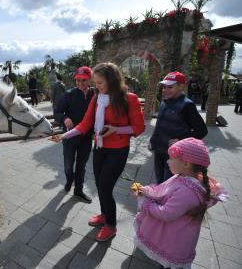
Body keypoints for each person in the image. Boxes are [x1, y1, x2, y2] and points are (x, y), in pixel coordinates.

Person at [52, 62, 145, 241]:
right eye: (95, 83)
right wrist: (64, 136)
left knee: (105, 187)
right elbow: (86, 124)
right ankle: (104, 214)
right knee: (100, 185)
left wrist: (116, 129)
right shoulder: (97, 98)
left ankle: (111, 225)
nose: (96, 87)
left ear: (112, 81)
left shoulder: (130, 99)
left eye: (100, 83)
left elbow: (139, 128)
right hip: (100, 148)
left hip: (118, 150)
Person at [133, 137, 228, 269]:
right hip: (173, 236)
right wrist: (147, 191)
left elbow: (166, 213)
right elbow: (162, 190)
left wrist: (144, 202)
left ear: (186, 164)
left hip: (174, 241)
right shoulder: (182, 177)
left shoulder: (187, 191)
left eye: (171, 158)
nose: (167, 161)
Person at [150, 72, 208, 184]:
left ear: (181, 86)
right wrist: (153, 141)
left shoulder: (187, 105)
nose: (165, 90)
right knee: (159, 182)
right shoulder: (165, 102)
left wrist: (180, 140)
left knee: (169, 185)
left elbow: (201, 131)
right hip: (159, 151)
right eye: (164, 87)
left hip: (175, 156)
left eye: (170, 87)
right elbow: (159, 125)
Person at [53, 66, 96, 204]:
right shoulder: (68, 95)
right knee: (68, 166)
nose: (80, 83)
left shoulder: (95, 95)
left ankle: (78, 190)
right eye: (78, 80)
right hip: (70, 137)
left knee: (81, 166)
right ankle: (69, 179)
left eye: (84, 80)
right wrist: (65, 118)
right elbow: (57, 112)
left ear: (90, 80)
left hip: (86, 138)